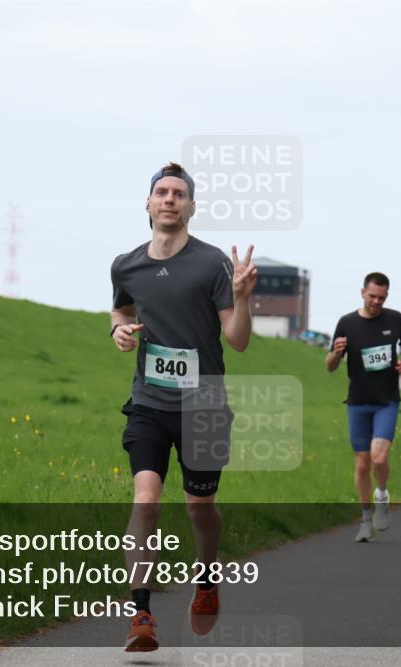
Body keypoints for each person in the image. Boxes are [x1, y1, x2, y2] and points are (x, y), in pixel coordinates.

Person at [110, 162, 257, 651]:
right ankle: (141, 614)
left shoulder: (212, 262)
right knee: (146, 499)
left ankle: (207, 577)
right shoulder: (126, 265)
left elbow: (236, 342)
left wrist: (241, 297)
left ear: (191, 206)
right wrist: (118, 329)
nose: (169, 199)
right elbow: (122, 307)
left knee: (200, 507)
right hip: (149, 403)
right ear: (148, 204)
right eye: (161, 192)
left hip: (206, 404)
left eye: (179, 193)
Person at [327, 272, 401, 542]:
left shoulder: (395, 319)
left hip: (386, 400)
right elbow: (330, 366)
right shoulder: (347, 323)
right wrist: (335, 352)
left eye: (382, 297)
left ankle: (382, 495)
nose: (376, 301)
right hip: (357, 402)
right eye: (372, 296)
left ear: (386, 296)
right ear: (362, 293)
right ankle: (365, 521)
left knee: (379, 457)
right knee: (362, 465)